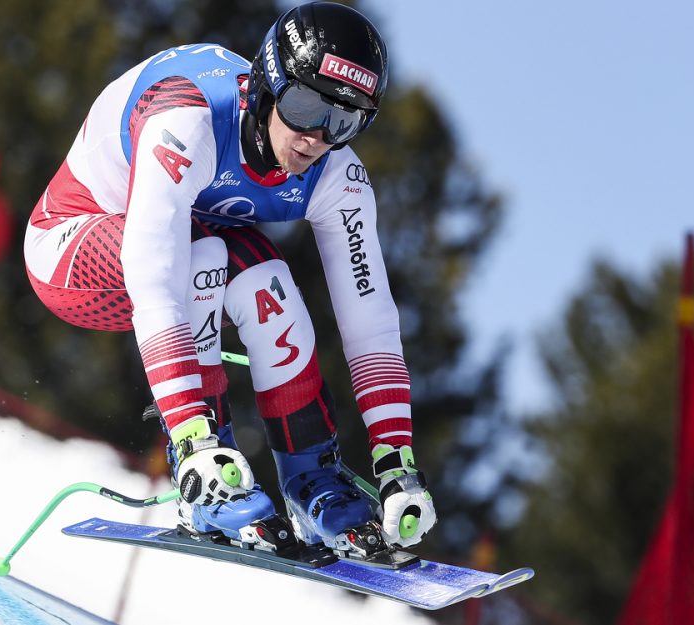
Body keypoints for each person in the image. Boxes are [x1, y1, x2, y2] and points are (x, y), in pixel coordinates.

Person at [24, 1, 437, 553]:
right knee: (203, 256)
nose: (317, 136)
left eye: (345, 119)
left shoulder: (338, 175)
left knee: (267, 277)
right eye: (306, 103)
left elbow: (370, 320)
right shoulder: (187, 119)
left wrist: (396, 459)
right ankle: (205, 472)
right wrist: (192, 434)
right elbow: (155, 276)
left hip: (185, 252)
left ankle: (313, 480)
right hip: (70, 249)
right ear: (269, 81)